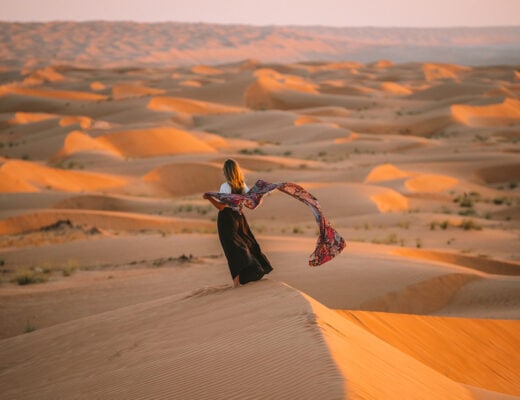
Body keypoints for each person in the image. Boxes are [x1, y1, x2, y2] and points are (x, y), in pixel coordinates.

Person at [203, 159, 273, 287]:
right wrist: (261, 195)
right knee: (246, 243)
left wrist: (209, 198)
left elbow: (221, 207)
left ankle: (237, 283)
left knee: (232, 250)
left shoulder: (226, 186)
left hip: (227, 219)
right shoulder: (242, 186)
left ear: (226, 171)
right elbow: (251, 204)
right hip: (240, 218)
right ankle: (253, 273)